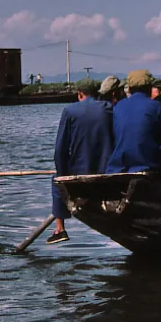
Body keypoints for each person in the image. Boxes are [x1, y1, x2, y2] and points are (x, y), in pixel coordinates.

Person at [51, 79, 114, 244]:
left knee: (55, 181)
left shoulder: (70, 111)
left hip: (80, 171)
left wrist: (62, 173)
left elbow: (60, 149)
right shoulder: (109, 108)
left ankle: (60, 229)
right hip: (107, 171)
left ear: (80, 94)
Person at [106, 70, 161, 174]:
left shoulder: (118, 107)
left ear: (130, 89)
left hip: (118, 168)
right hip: (148, 166)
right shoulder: (157, 107)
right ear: (149, 88)